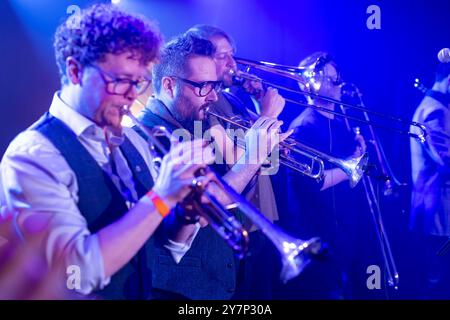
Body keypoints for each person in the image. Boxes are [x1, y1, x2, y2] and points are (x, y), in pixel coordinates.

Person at [0, 4, 215, 299]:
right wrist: (162, 195)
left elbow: (165, 243)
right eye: (120, 80)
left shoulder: (133, 140)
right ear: (75, 71)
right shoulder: (32, 155)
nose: (131, 94)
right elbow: (75, 273)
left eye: (138, 82)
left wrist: (185, 210)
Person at [137, 32, 290, 300]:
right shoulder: (151, 134)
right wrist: (253, 155)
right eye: (203, 86)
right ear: (170, 85)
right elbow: (205, 205)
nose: (211, 97)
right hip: (179, 291)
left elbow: (233, 185)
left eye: (215, 86)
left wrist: (263, 149)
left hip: (219, 282)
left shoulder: (194, 123)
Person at [183, 24, 287, 299]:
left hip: (261, 213)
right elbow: (233, 163)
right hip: (239, 221)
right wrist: (266, 114)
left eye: (233, 55)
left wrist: (258, 108)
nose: (232, 63)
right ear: (201, 57)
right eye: (223, 56)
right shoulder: (206, 105)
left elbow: (267, 159)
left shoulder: (232, 100)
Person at [282, 52, 370, 299]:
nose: (339, 84)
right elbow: (311, 185)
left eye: (338, 78)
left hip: (345, 234)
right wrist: (350, 166)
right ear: (311, 84)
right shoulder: (302, 128)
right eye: (331, 80)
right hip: (319, 239)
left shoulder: (342, 123)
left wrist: (357, 151)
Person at [410, 54, 450, 299]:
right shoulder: (433, 111)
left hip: (440, 214)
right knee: (438, 287)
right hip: (439, 215)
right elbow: (445, 158)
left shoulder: (438, 107)